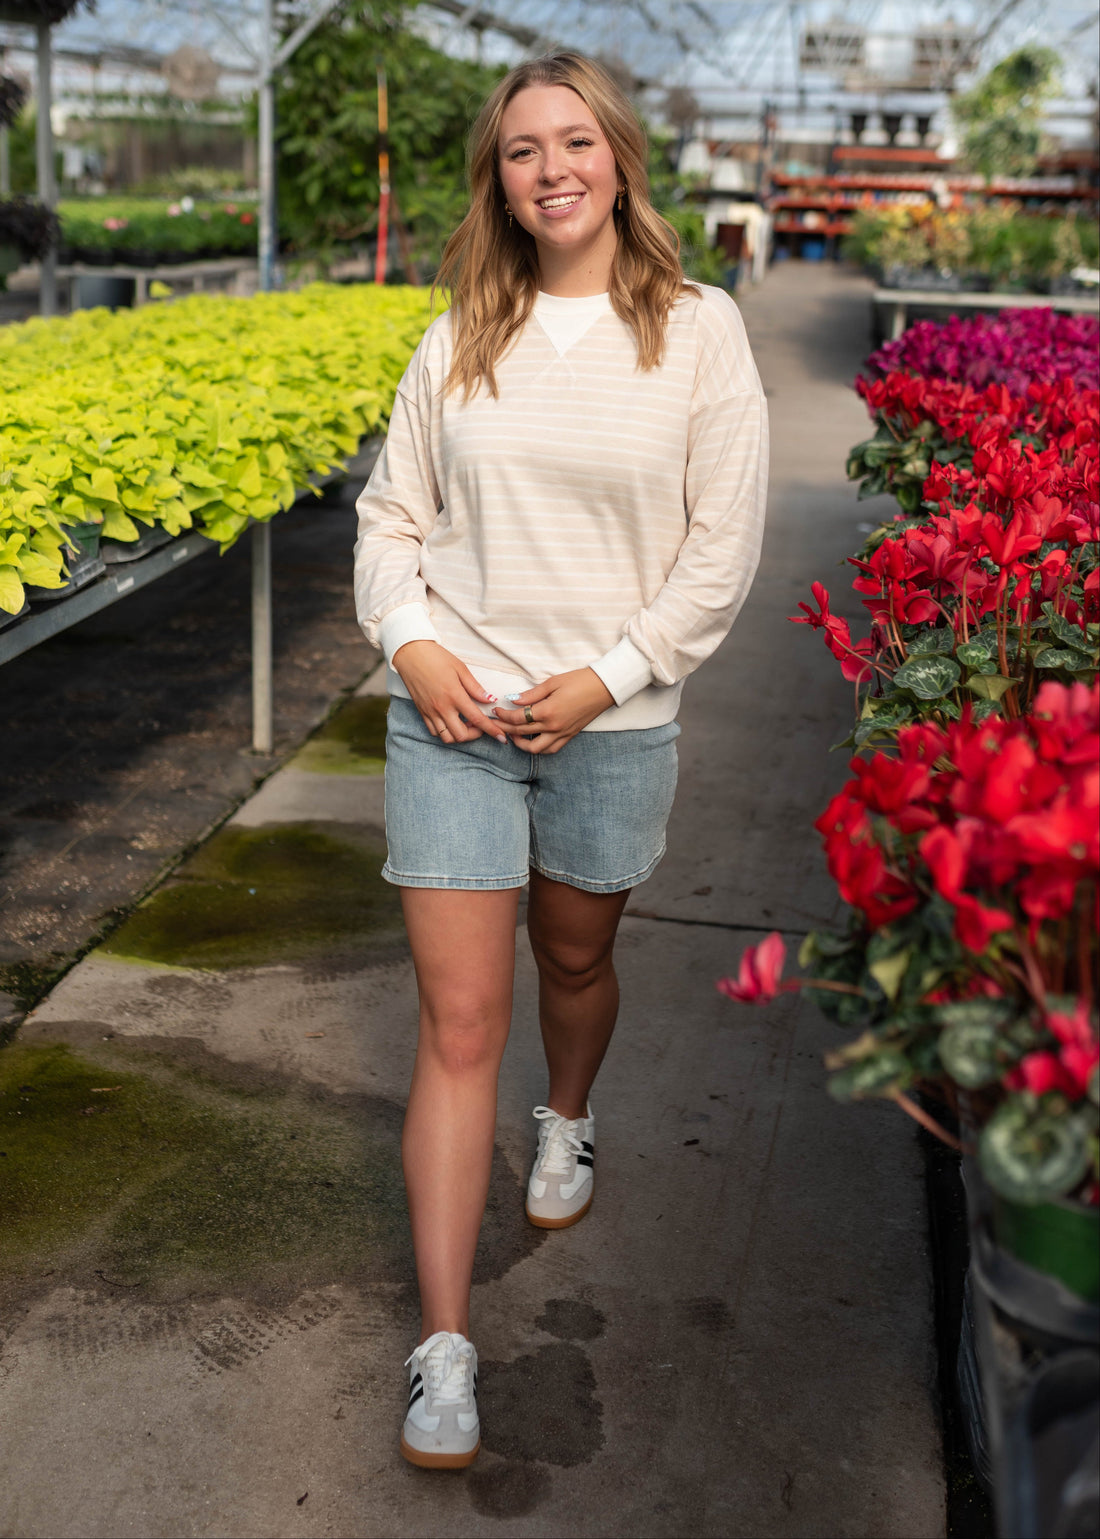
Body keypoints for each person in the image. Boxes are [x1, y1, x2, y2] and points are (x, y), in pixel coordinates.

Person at [353, 50, 768, 1469]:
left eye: (574, 140)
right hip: (453, 724)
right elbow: (390, 519)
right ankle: (445, 1351)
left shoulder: (698, 331)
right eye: (522, 150)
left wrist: (608, 678)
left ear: (620, 158)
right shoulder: (461, 334)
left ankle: (570, 1117)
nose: (551, 169)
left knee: (575, 963)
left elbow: (721, 550)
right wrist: (412, 645)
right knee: (458, 1022)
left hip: (611, 724)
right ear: (500, 180)